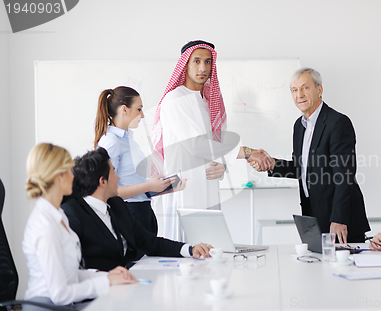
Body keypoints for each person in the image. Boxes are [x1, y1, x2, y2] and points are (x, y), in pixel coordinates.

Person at [151, 40, 270, 241]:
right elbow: (197, 145)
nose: (202, 67)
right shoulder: (175, 99)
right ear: (185, 64)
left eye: (207, 62)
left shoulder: (207, 102)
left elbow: (214, 145)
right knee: (184, 255)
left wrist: (222, 164)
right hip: (184, 189)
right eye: (196, 61)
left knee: (210, 252)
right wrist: (247, 152)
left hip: (207, 187)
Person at [252, 67, 370, 243]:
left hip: (339, 221)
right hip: (313, 217)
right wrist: (272, 164)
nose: (299, 95)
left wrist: (338, 218)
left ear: (319, 90)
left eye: (305, 88)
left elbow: (344, 175)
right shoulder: (299, 127)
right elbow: (302, 169)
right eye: (294, 90)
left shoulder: (337, 123)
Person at [22, 143, 137, 311]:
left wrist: (108, 276)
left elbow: (70, 274)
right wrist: (106, 282)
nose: (73, 176)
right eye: (69, 170)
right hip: (47, 306)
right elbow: (60, 294)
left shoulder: (58, 215)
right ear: (59, 176)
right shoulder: (45, 226)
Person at [61, 148, 212, 272]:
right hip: (97, 292)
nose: (118, 177)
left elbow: (149, 242)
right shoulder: (73, 214)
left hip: (125, 283)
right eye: (114, 172)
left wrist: (190, 250)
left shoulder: (116, 205)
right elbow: (75, 268)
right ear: (102, 181)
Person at [95, 86, 182, 235]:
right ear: (124, 110)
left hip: (143, 212)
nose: (142, 115)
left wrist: (161, 187)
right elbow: (106, 191)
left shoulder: (128, 139)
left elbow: (133, 185)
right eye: (139, 109)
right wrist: (148, 185)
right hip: (129, 213)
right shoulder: (111, 142)